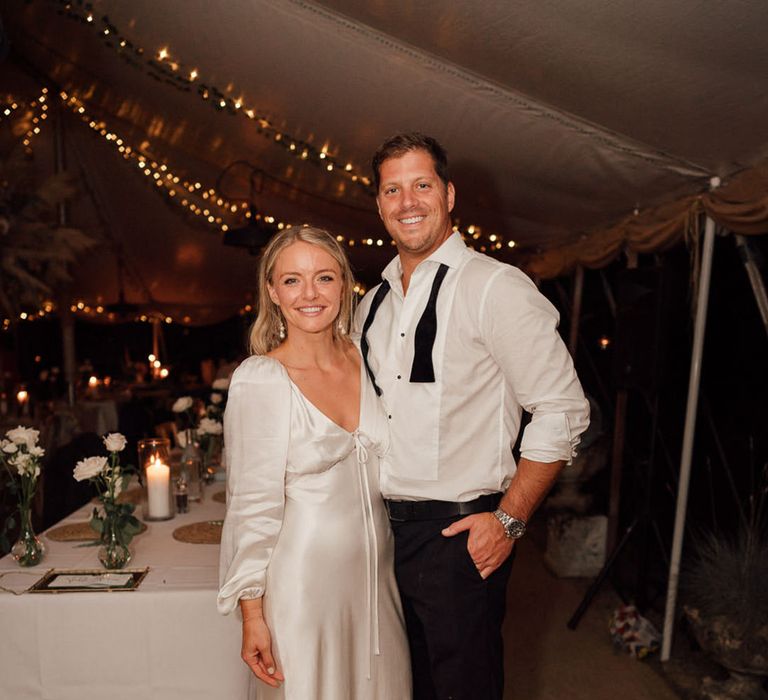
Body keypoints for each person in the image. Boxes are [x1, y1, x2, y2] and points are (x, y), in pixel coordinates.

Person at [356, 133, 590, 700]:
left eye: (421, 185)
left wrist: (508, 521)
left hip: (459, 536)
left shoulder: (495, 287)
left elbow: (562, 409)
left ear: (449, 194)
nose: (408, 201)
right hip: (378, 536)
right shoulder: (372, 303)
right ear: (380, 205)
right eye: (393, 189)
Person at [218, 227, 411, 699]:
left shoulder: (363, 354)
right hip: (302, 586)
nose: (309, 294)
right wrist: (252, 615)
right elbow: (250, 506)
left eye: (324, 277)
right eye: (292, 280)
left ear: (344, 285)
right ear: (272, 291)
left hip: (378, 579)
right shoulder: (261, 379)